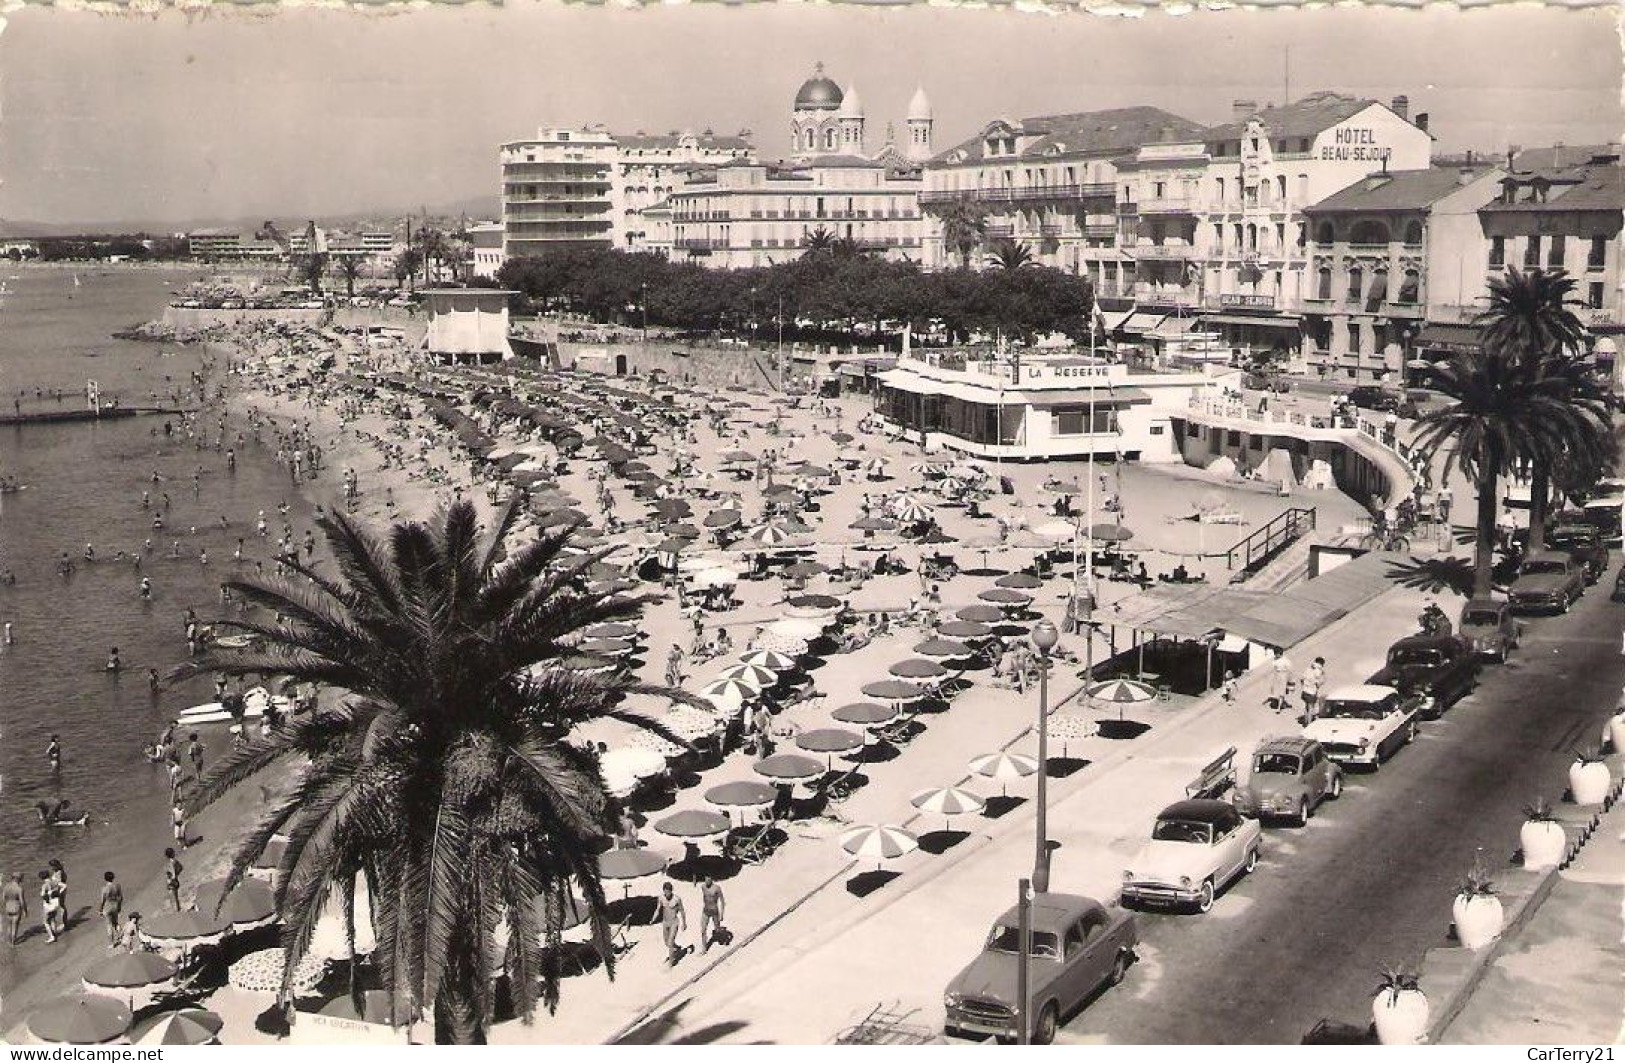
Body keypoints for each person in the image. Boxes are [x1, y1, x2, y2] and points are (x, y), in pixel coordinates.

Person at [656, 881, 688, 966]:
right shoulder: (661, 898)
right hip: (665, 922)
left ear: (671, 891)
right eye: (665, 891)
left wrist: (684, 923)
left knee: (670, 943)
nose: (667, 893)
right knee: (667, 943)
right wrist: (653, 918)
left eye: (668, 891)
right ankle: (677, 948)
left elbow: (682, 911)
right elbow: (658, 909)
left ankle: (671, 963)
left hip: (674, 922)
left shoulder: (677, 899)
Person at [699, 875, 727, 953]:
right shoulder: (703, 887)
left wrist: (722, 914)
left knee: (717, 929)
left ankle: (722, 935)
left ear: (712, 879)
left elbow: (722, 901)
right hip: (705, 911)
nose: (707, 880)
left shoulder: (717, 888)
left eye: (708, 878)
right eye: (705, 878)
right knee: (703, 930)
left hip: (714, 911)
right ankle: (704, 949)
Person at [99, 872, 123, 946]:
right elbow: (121, 898)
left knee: (109, 925)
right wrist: (119, 907)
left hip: (107, 908)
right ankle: (121, 937)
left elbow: (102, 901)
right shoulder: (117, 886)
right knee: (116, 923)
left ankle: (111, 944)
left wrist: (100, 910)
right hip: (115, 906)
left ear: (105, 878)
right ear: (113, 878)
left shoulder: (104, 889)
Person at [1300, 657, 1326, 723]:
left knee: (1306, 707)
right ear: (1322, 664)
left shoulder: (1308, 668)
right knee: (1311, 709)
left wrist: (1305, 685)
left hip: (1304, 691)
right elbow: (1318, 684)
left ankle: (1305, 721)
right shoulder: (1318, 671)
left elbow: (1301, 679)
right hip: (1311, 692)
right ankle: (1309, 724)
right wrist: (1322, 682)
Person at [3, 872, 26, 945]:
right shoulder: (19, 888)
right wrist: (25, 911)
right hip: (16, 908)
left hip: (8, 907)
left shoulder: (6, 886)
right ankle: (13, 943)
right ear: (18, 879)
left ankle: (8, 941)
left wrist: (5, 906)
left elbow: (3, 898)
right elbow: (22, 901)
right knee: (15, 926)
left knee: (9, 926)